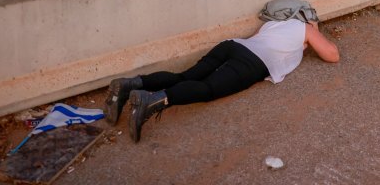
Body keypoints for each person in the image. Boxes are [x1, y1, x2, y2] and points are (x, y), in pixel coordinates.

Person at [103, 15, 340, 142]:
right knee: (207, 89)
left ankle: (130, 84)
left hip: (234, 45)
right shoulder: (306, 28)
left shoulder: (275, 24)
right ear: (307, 18)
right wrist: (313, 33)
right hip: (253, 62)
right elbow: (332, 55)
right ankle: (153, 101)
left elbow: (258, 39)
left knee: (185, 76)